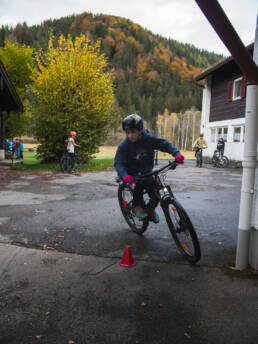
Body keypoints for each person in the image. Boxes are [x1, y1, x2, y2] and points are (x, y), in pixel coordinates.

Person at [114, 114, 184, 223]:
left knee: (156, 192)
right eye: (127, 132)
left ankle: (149, 210)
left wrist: (176, 154)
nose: (130, 135)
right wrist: (124, 175)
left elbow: (164, 144)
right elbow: (118, 162)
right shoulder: (125, 145)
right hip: (130, 174)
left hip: (146, 171)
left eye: (133, 132)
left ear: (140, 130)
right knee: (139, 185)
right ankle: (137, 206)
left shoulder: (149, 139)